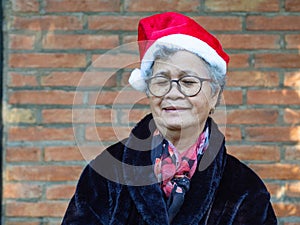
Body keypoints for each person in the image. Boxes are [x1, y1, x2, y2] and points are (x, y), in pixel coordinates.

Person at [62, 12, 277, 225]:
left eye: (188, 82)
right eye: (161, 81)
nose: (173, 93)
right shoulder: (105, 174)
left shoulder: (244, 189)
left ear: (214, 95)